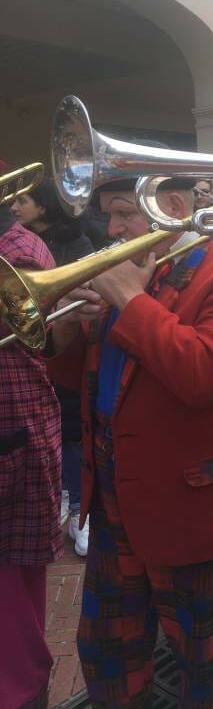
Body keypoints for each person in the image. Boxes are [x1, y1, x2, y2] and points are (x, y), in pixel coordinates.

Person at [45, 176, 213, 707]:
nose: (112, 231)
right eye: (108, 217)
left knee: (202, 667)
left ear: (169, 207)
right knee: (106, 656)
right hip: (115, 502)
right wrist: (70, 329)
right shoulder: (136, 271)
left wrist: (127, 299)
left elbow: (206, 374)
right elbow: (86, 380)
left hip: (197, 510)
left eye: (124, 214)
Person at [0, 166, 62, 709]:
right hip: (17, 424)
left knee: (16, 581)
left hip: (15, 424)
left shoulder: (18, 249)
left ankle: (22, 689)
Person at [12, 177, 94, 556]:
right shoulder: (31, 239)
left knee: (74, 434)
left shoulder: (67, 244)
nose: (15, 206)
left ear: (42, 206)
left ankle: (80, 507)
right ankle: (67, 496)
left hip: (43, 365)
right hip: (53, 352)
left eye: (23, 199)